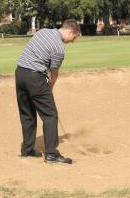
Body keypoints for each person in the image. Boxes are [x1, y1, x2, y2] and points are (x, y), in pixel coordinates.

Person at [15, 19, 81, 164]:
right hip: (35, 77)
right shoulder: (59, 48)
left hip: (20, 73)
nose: (73, 41)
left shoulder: (43, 31)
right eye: (74, 37)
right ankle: (52, 154)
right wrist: (49, 88)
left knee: (27, 114)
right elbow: (54, 73)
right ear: (71, 31)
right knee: (50, 115)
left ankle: (27, 150)